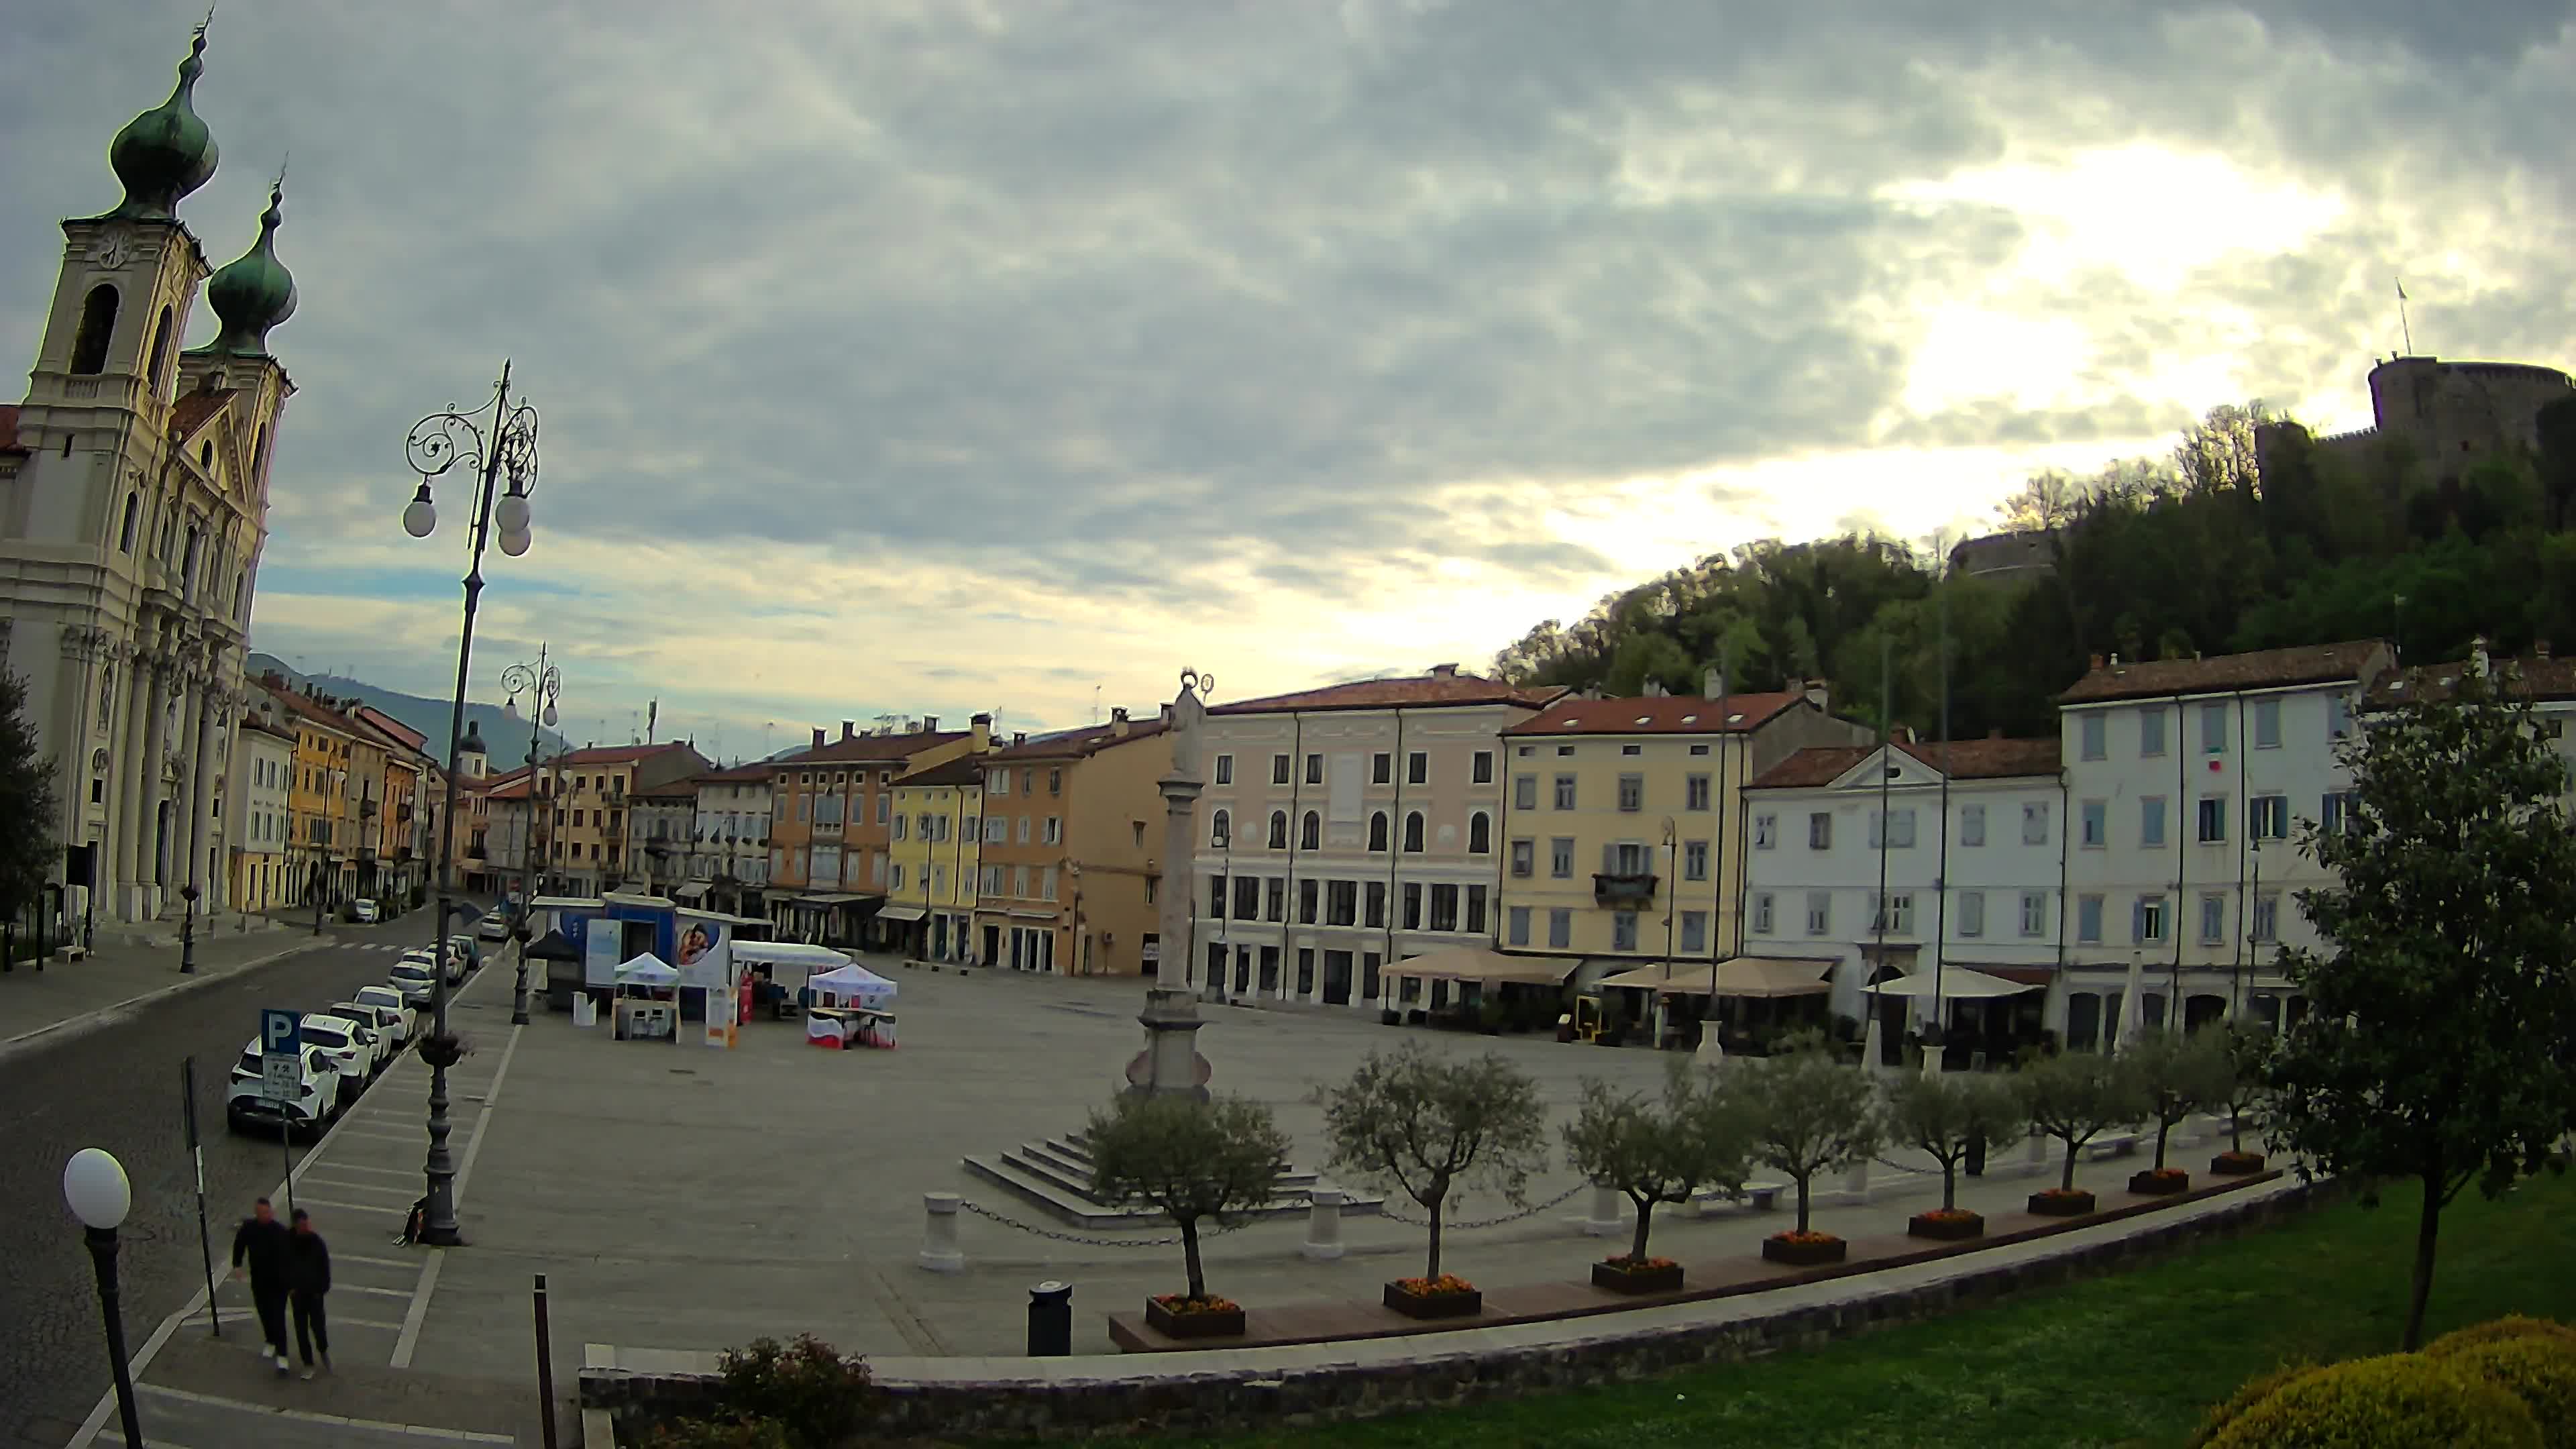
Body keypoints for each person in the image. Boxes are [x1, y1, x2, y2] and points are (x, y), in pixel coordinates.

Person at [229, 1197, 293, 1376]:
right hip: (259, 1280)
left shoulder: (280, 1232)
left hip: (278, 1283)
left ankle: (283, 1356)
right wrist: (237, 1264)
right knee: (264, 1312)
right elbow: (239, 1245)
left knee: (278, 1317)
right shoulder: (249, 1228)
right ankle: (270, 1341)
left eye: (267, 1212)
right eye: (261, 1213)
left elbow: (291, 1258)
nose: (265, 1215)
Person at [284, 1208, 331, 1379]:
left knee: (319, 1327)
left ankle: (323, 1349)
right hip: (298, 1295)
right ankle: (308, 1363)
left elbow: (325, 1268)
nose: (306, 1228)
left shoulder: (316, 1242)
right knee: (301, 1330)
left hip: (314, 1294)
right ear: (296, 1225)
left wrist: (322, 1290)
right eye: (303, 1225)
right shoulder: (287, 1241)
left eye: (307, 1224)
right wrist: (289, 1287)